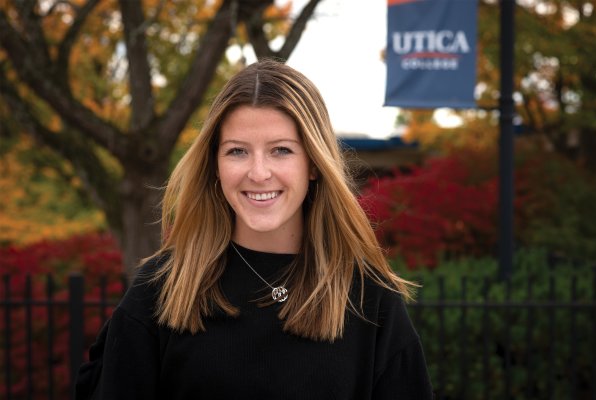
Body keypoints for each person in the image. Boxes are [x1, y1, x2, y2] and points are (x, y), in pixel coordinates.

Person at [77, 59, 433, 399]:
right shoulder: (162, 290)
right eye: (237, 152)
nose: (259, 172)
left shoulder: (369, 299)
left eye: (280, 150)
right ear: (215, 164)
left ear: (313, 163)